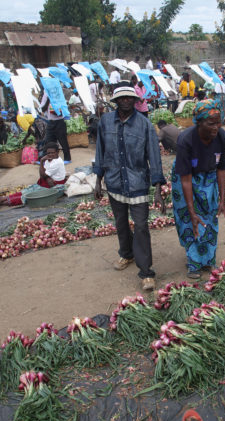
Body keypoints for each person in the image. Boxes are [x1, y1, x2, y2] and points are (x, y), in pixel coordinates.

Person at [93, 83, 166, 290]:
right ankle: (126, 254)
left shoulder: (144, 125)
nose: (126, 101)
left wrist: (158, 189)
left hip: (137, 183)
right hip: (115, 181)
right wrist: (98, 180)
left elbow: (154, 157)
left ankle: (146, 272)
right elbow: (100, 150)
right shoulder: (105, 122)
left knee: (141, 226)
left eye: (129, 98)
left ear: (135, 100)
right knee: (120, 222)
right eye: (121, 98)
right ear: (115, 101)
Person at [171, 99, 225, 279]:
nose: (216, 127)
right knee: (190, 220)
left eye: (218, 122)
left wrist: (222, 199)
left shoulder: (221, 137)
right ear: (199, 122)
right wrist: (191, 209)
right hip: (185, 178)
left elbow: (222, 169)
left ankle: (209, 259)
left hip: (209, 176)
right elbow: (186, 179)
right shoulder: (186, 139)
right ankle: (194, 262)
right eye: (210, 123)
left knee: (210, 216)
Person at [0, 143, 66, 206]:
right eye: (48, 153)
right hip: (46, 182)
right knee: (26, 191)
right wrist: (47, 177)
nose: (50, 155)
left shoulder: (57, 162)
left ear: (58, 152)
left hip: (55, 185)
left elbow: (42, 175)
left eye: (53, 153)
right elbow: (43, 174)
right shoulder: (49, 159)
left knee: (29, 196)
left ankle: (2, 203)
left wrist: (41, 161)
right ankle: (1, 198)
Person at [39, 90, 72, 164]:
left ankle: (67, 158)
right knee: (49, 141)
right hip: (50, 122)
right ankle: (48, 158)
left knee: (63, 141)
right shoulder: (45, 96)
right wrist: (48, 100)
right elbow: (43, 109)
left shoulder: (59, 95)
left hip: (59, 121)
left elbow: (61, 112)